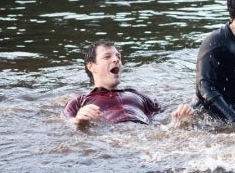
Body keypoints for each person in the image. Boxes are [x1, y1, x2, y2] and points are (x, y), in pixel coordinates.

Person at [62, 39, 194, 129]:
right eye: (107, 57)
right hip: (113, 137)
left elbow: (161, 120)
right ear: (91, 66)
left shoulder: (140, 96)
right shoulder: (79, 102)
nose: (116, 60)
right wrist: (79, 121)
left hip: (148, 133)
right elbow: (65, 125)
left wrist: (179, 120)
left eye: (118, 57)